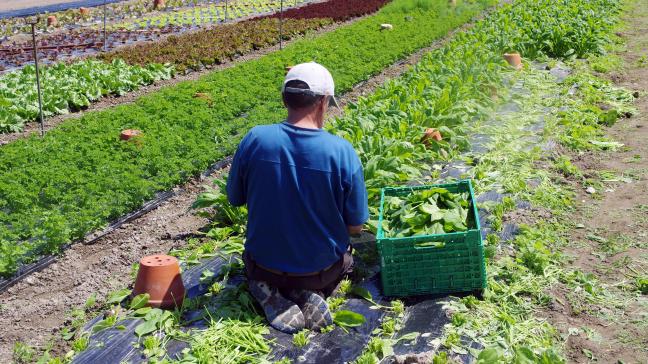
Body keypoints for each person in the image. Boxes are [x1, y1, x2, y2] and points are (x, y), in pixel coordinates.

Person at [226, 62, 369, 333]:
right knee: (348, 258)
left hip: (263, 265)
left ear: (285, 99)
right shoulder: (341, 152)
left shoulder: (255, 139)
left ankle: (270, 291)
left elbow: (235, 199)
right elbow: (356, 227)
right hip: (319, 272)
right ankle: (309, 292)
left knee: (261, 266)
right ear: (323, 102)